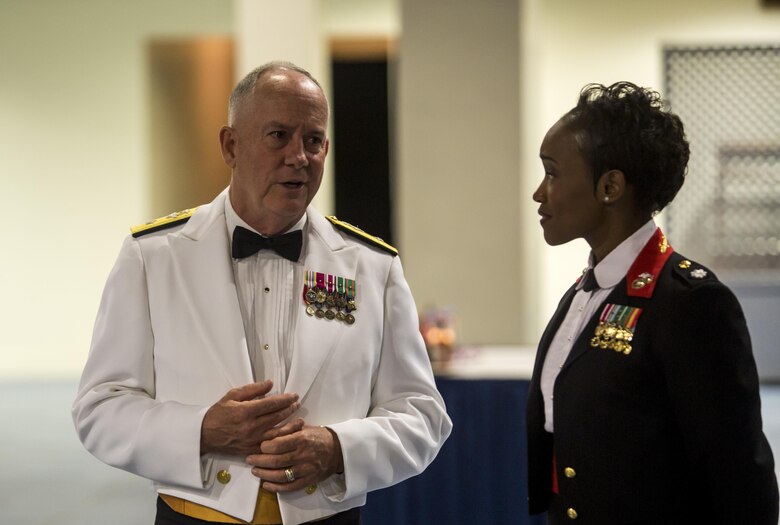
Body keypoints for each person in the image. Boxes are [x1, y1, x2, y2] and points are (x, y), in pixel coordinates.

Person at [73, 61, 452, 525]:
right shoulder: (154, 257)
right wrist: (201, 430)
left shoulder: (372, 266)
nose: (299, 156)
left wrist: (338, 449)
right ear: (231, 146)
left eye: (313, 140)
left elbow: (422, 416)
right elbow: (100, 408)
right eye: (278, 136)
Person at [526, 82, 779, 524]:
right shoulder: (588, 290)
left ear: (610, 186)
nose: (539, 193)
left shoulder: (691, 304)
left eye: (552, 172)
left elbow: (738, 477)